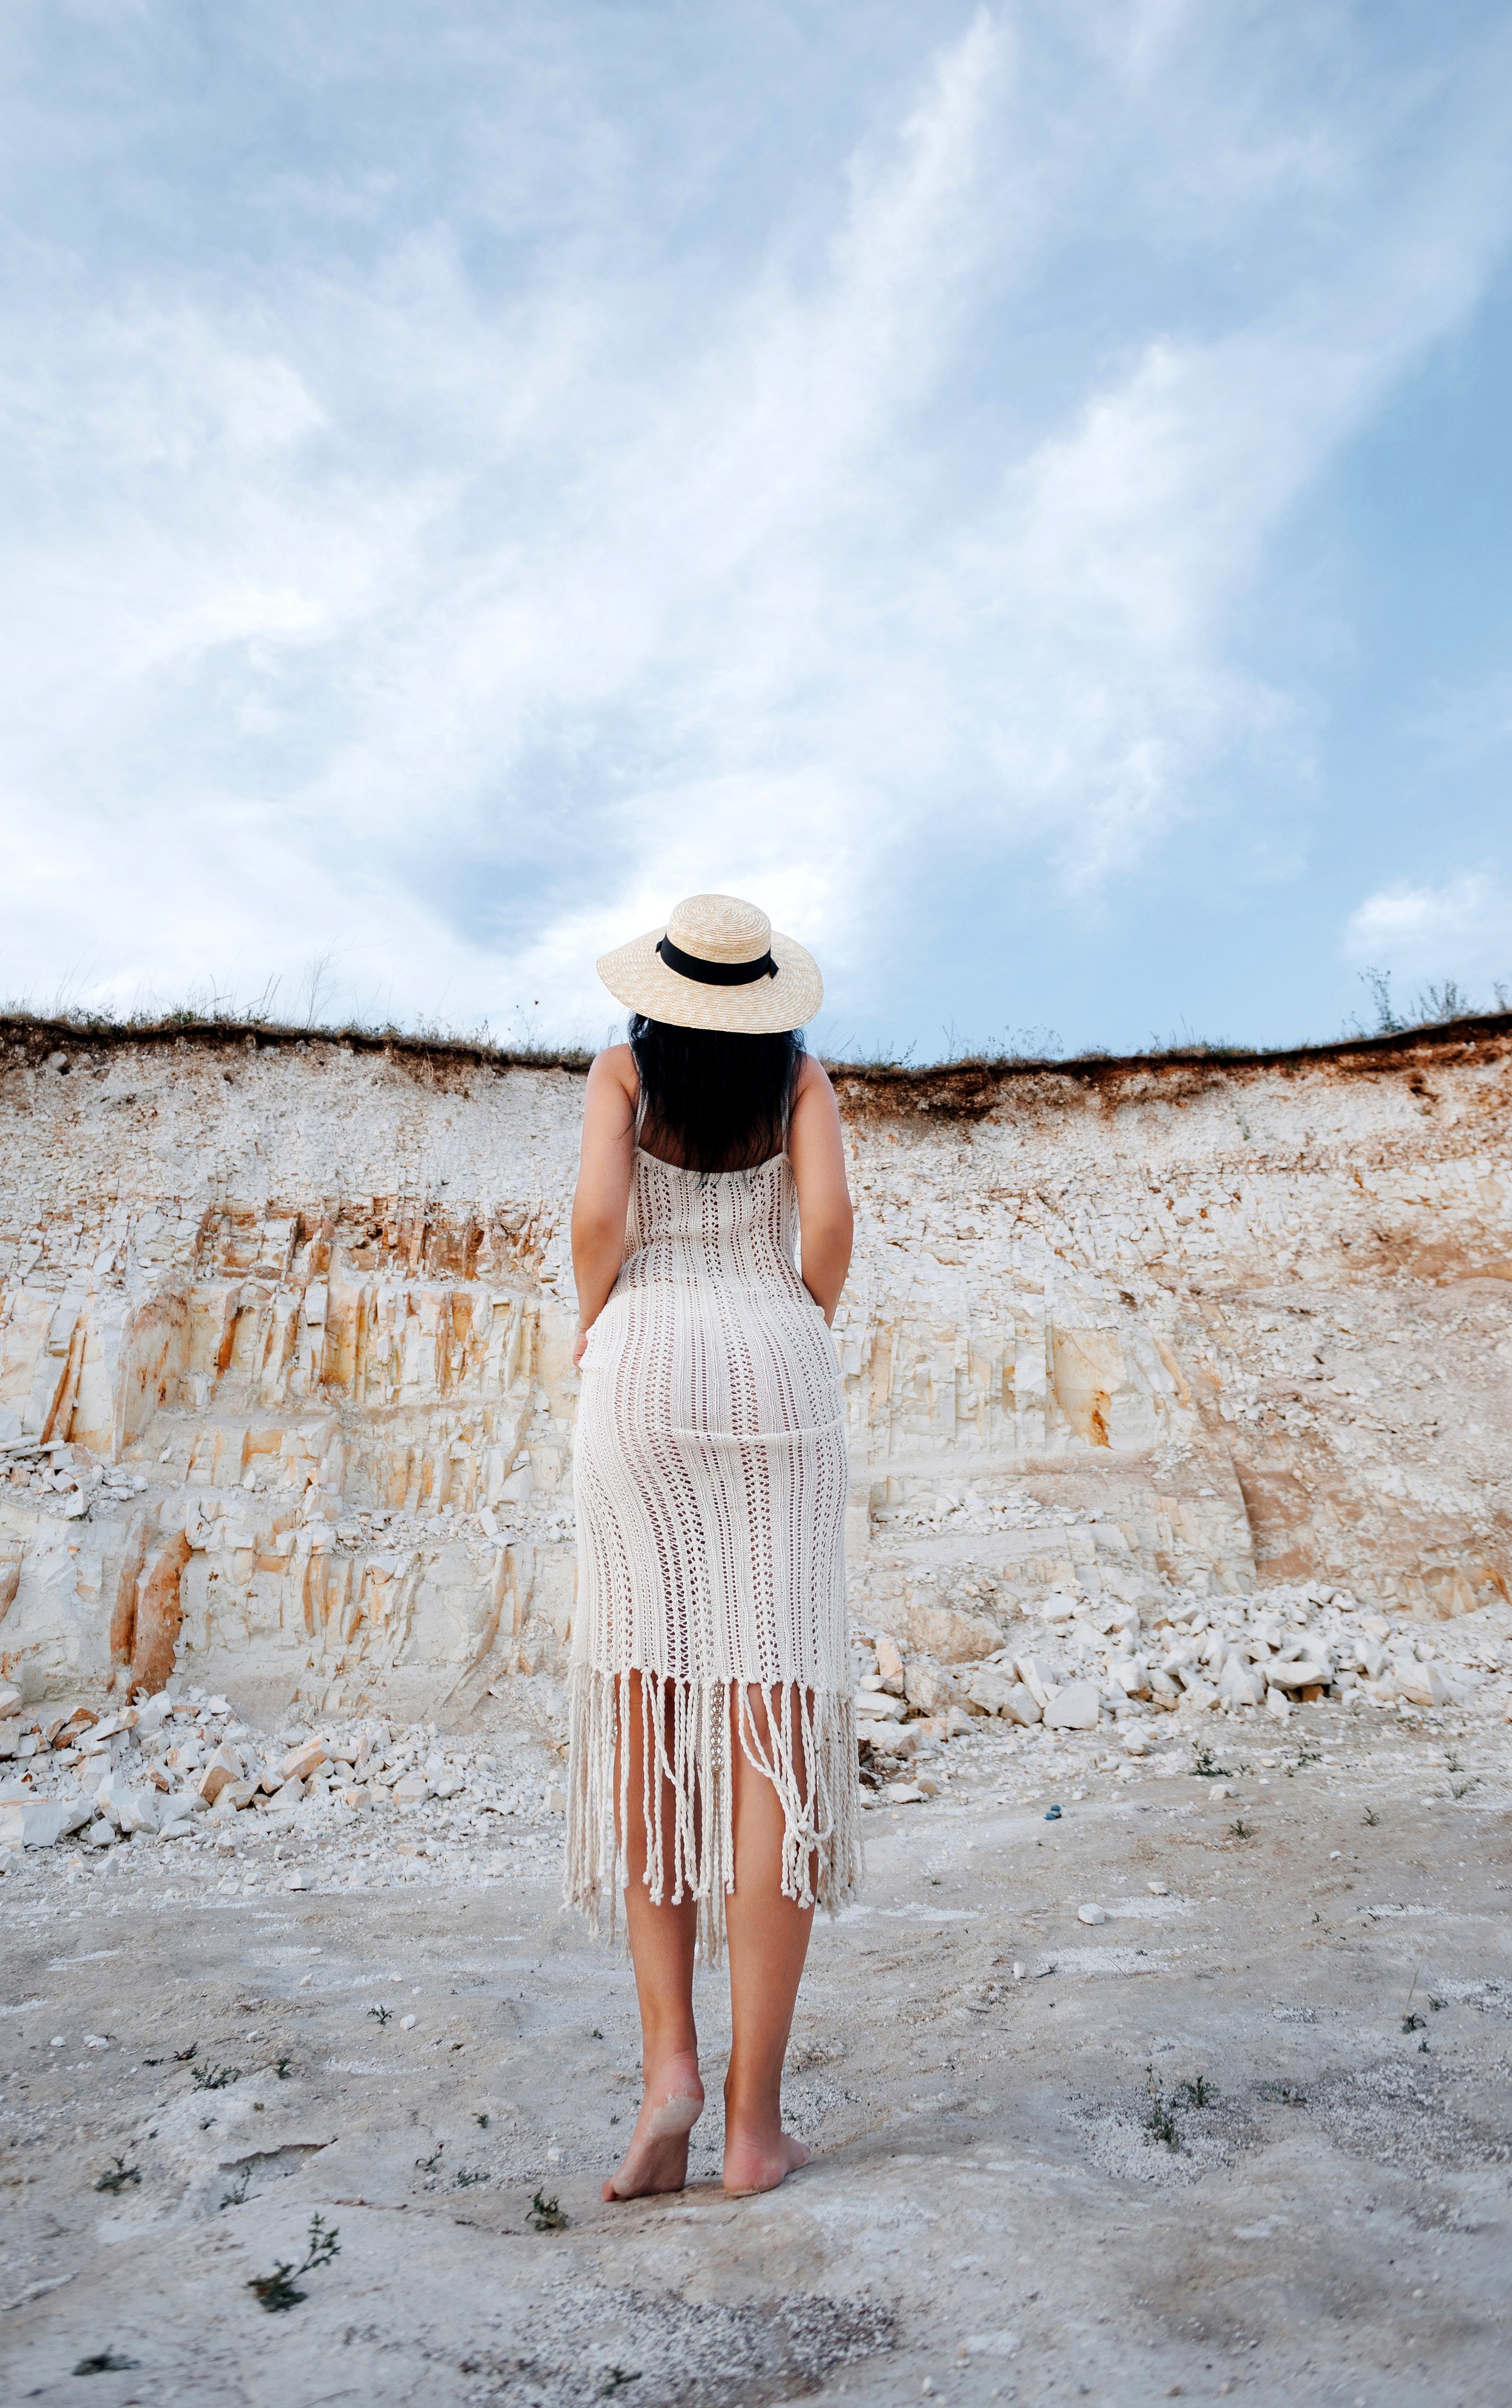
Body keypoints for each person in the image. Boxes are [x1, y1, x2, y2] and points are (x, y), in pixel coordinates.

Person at [564, 891, 858, 2200]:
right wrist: (790, 1326)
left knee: (645, 1709)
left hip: (641, 1369)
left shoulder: (623, 1068)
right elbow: (830, 1232)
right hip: (775, 1372)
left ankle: (668, 2067)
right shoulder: (801, 1076)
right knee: (768, 1726)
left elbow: (597, 1226)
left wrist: (599, 1325)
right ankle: (752, 2127)